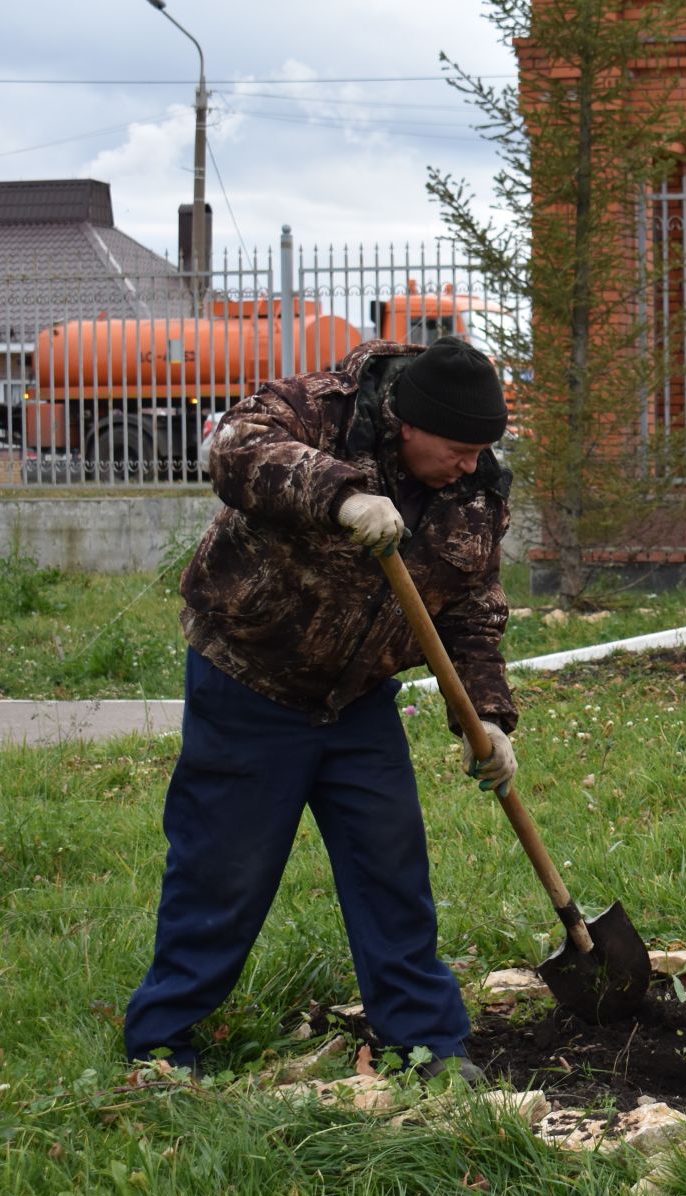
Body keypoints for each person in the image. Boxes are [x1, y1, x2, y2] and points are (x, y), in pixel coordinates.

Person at [125, 335, 518, 1084]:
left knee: (391, 870)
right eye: (460, 447)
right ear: (408, 422)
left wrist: (489, 716)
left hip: (358, 702)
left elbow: (472, 606)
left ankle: (426, 1042)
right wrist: (339, 492)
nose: (471, 464)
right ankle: (162, 1045)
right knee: (223, 873)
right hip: (249, 683)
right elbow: (232, 448)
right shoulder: (318, 411)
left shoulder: (475, 491)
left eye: (481, 451)